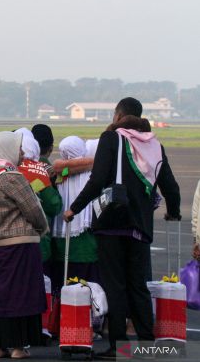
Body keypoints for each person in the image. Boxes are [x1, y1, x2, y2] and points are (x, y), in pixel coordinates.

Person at [64, 97, 182, 359]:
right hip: (140, 227)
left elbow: (97, 180)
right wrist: (173, 213)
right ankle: (147, 344)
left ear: (118, 115)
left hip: (112, 224)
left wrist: (74, 208)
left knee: (115, 286)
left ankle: (118, 348)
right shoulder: (154, 144)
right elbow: (170, 186)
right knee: (137, 285)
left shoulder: (112, 139)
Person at [0, 131, 49, 359]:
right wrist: (42, 229)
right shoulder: (13, 177)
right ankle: (19, 346)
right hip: (19, 244)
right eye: (17, 148)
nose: (21, 152)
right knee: (21, 296)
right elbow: (33, 210)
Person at [51, 137, 99, 286]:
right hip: (87, 245)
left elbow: (65, 170)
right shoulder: (93, 176)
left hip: (62, 242)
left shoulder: (62, 174)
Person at [15, 129, 62, 269]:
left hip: (10, 244)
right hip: (37, 242)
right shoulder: (39, 172)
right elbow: (53, 205)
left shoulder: (4, 169)